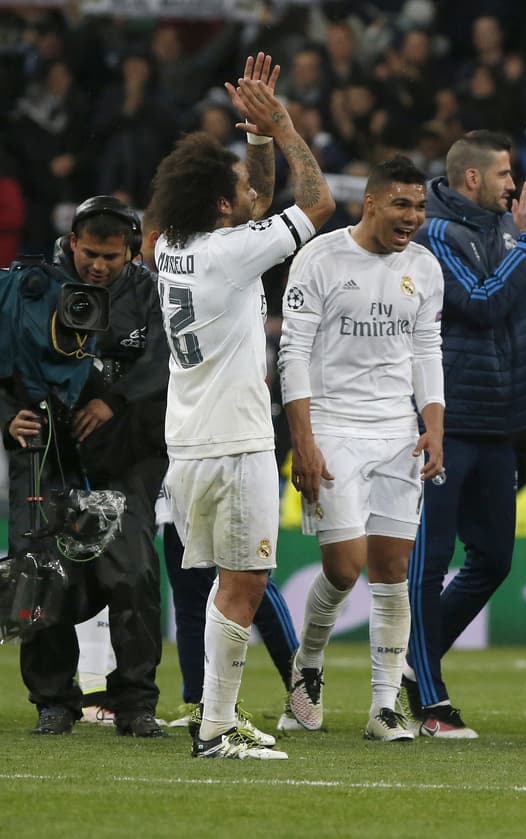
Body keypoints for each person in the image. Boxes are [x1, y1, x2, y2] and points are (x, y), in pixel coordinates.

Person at [151, 52, 335, 759]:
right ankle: (216, 729)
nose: (246, 192)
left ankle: (215, 719)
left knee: (230, 583)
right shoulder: (228, 254)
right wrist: (284, 126)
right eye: (235, 186)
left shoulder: (173, 244)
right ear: (221, 207)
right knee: (246, 582)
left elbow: (252, 202)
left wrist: (254, 143)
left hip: (192, 442)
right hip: (233, 444)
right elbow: (314, 203)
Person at [405, 130, 526, 737]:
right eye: (505, 174)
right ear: (472, 179)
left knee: (494, 559)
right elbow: (479, 302)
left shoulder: (512, 229)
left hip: (501, 422)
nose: (514, 184)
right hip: (446, 422)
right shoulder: (432, 236)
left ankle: (412, 664)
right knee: (429, 561)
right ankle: (428, 698)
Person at [278, 154, 445, 742]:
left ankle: (383, 707)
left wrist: (434, 423)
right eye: (402, 204)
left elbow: (427, 350)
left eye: (420, 206)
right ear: (370, 203)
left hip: (396, 432)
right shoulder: (320, 258)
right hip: (331, 427)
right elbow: (292, 353)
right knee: (344, 567)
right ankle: (308, 667)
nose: (412, 217)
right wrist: (303, 441)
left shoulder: (424, 267)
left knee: (392, 568)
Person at [3, 194, 169, 738]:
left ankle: (136, 702)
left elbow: (165, 359)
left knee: (134, 574)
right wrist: (9, 418)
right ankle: (54, 701)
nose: (98, 266)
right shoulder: (28, 287)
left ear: (133, 254)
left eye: (111, 258)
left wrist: (113, 399)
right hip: (47, 454)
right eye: (90, 254)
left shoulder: (149, 291)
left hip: (124, 454)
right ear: (72, 242)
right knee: (38, 575)